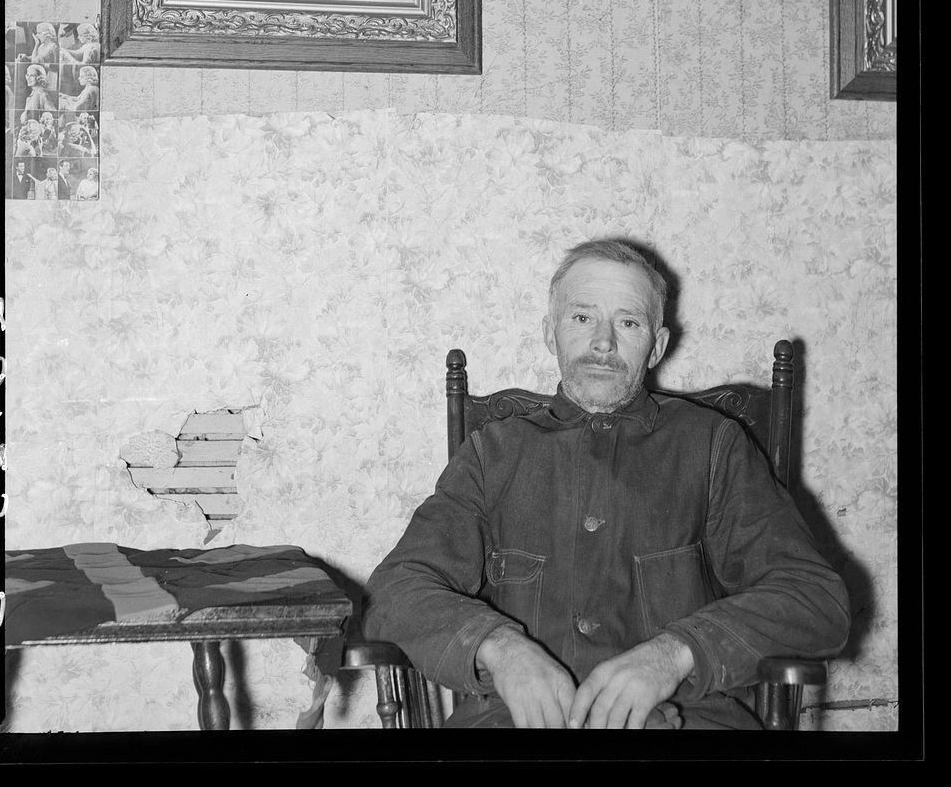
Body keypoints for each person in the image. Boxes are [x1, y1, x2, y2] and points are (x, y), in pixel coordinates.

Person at [362, 237, 851, 731]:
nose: (603, 342)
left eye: (628, 322)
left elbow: (815, 599)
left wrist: (675, 654)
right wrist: (500, 648)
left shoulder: (714, 446)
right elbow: (395, 592)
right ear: (551, 334)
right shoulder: (493, 454)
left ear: (656, 346)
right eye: (582, 318)